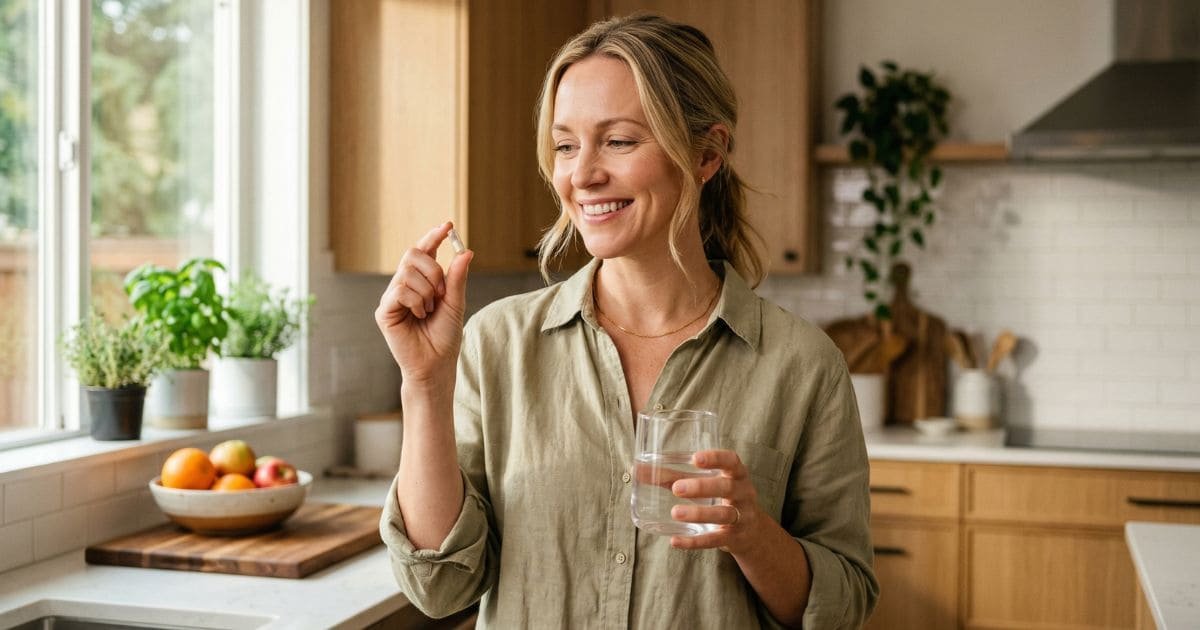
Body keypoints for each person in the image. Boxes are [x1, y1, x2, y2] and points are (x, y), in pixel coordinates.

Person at [375, 13, 877, 629]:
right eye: (565, 145)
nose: (582, 174)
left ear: (705, 154)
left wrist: (753, 535)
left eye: (619, 141)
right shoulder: (496, 344)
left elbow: (845, 604)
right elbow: (439, 586)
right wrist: (424, 384)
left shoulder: (802, 365)